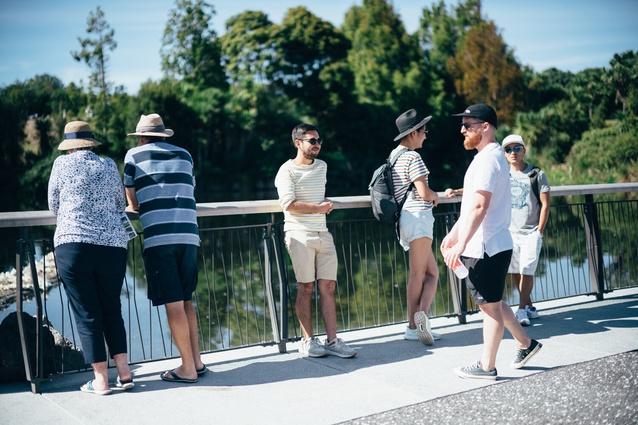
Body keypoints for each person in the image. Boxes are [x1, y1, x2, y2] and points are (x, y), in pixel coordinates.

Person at [441, 104, 542, 380]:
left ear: (486, 126)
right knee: (492, 302)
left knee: (490, 309)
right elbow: (473, 205)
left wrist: (460, 244)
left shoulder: (488, 159)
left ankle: (487, 367)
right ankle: (526, 343)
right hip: (491, 244)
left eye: (468, 124)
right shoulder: (488, 156)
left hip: (484, 247)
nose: (462, 129)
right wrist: (453, 236)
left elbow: (480, 207)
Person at [48, 121, 134, 395]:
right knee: (112, 309)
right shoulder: (108, 164)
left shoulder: (61, 165)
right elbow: (120, 204)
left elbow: (54, 205)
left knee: (88, 315)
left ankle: (101, 381)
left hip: (74, 246)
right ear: (90, 143)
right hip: (112, 246)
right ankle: (125, 374)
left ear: (69, 147)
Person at [123, 113, 206, 383]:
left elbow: (133, 203)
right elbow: (190, 188)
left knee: (173, 304)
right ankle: (196, 361)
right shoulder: (185, 155)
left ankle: (187, 369)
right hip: (189, 235)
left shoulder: (133, 156)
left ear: (142, 137)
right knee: (185, 299)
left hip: (160, 238)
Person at [274, 123, 357, 358]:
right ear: (298, 143)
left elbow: (317, 196)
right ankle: (308, 341)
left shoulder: (322, 166)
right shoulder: (286, 171)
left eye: (319, 140)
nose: (317, 144)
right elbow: (288, 204)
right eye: (312, 141)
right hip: (299, 234)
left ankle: (332, 341)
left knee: (328, 287)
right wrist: (319, 208)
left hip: (323, 233)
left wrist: (322, 205)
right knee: (306, 287)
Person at [389, 109, 441, 345]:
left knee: (432, 273)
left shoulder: (393, 156)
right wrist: (435, 195)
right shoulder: (412, 158)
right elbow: (423, 192)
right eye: (423, 131)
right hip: (418, 217)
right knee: (419, 274)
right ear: (412, 133)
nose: (426, 136)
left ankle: (420, 319)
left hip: (405, 220)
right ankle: (414, 323)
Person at [502, 134, 551, 326]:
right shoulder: (503, 174)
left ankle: (521, 310)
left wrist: (539, 231)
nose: (513, 153)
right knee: (516, 270)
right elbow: (482, 189)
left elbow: (545, 205)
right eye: (508, 150)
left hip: (531, 232)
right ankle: (529, 306)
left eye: (516, 148)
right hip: (511, 232)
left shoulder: (536, 174)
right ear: (505, 154)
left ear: (523, 150)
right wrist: (456, 191)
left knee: (527, 270)